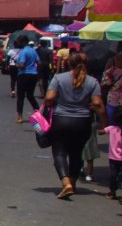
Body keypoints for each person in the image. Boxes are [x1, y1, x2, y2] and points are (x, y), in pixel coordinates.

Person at [43, 52, 107, 199]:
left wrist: (51, 105)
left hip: (61, 120)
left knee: (59, 152)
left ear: (67, 64)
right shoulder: (92, 81)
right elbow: (98, 103)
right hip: (82, 122)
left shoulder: (59, 78)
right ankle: (72, 182)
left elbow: (49, 98)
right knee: (76, 153)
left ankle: (66, 183)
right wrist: (104, 123)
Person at [14, 37, 40, 122]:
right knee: (30, 96)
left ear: (23, 42)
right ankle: (39, 113)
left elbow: (22, 65)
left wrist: (16, 64)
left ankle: (20, 116)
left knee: (20, 96)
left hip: (23, 75)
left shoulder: (24, 51)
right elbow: (38, 62)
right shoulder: (33, 50)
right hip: (33, 74)